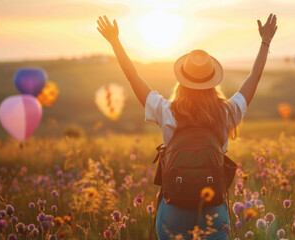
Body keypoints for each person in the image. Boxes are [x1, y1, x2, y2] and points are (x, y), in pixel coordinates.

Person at [97, 13, 278, 240]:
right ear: (213, 81)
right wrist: (265, 42)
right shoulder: (226, 113)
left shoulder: (167, 111)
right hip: (213, 210)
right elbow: (254, 77)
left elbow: (133, 77)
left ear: (182, 80)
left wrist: (115, 42)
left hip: (173, 210)